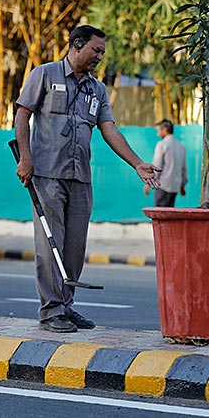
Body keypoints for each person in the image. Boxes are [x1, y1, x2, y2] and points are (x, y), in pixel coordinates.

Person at [14, 25, 161, 333]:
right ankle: (51, 310)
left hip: (81, 177)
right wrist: (26, 158)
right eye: (96, 50)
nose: (99, 57)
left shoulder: (97, 89)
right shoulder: (44, 74)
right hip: (48, 174)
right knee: (49, 245)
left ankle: (66, 306)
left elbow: (109, 129)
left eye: (102, 53)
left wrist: (137, 164)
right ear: (77, 45)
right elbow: (22, 115)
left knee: (74, 247)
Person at [143, 119, 187, 207]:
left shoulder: (161, 144)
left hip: (163, 185)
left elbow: (157, 166)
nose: (157, 133)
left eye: (158, 130)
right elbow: (183, 168)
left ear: (165, 129)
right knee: (169, 213)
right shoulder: (181, 146)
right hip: (175, 186)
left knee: (160, 213)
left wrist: (149, 183)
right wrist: (182, 186)